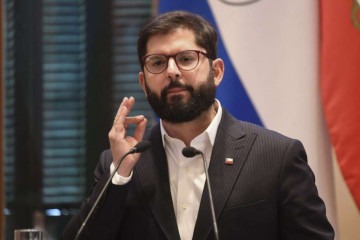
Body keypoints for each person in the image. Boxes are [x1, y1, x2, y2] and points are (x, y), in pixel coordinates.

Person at [63, 10, 334, 240]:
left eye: (186, 58)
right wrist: (120, 176)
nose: (172, 71)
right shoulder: (120, 164)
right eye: (157, 62)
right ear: (144, 84)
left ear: (216, 72)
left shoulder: (276, 157)